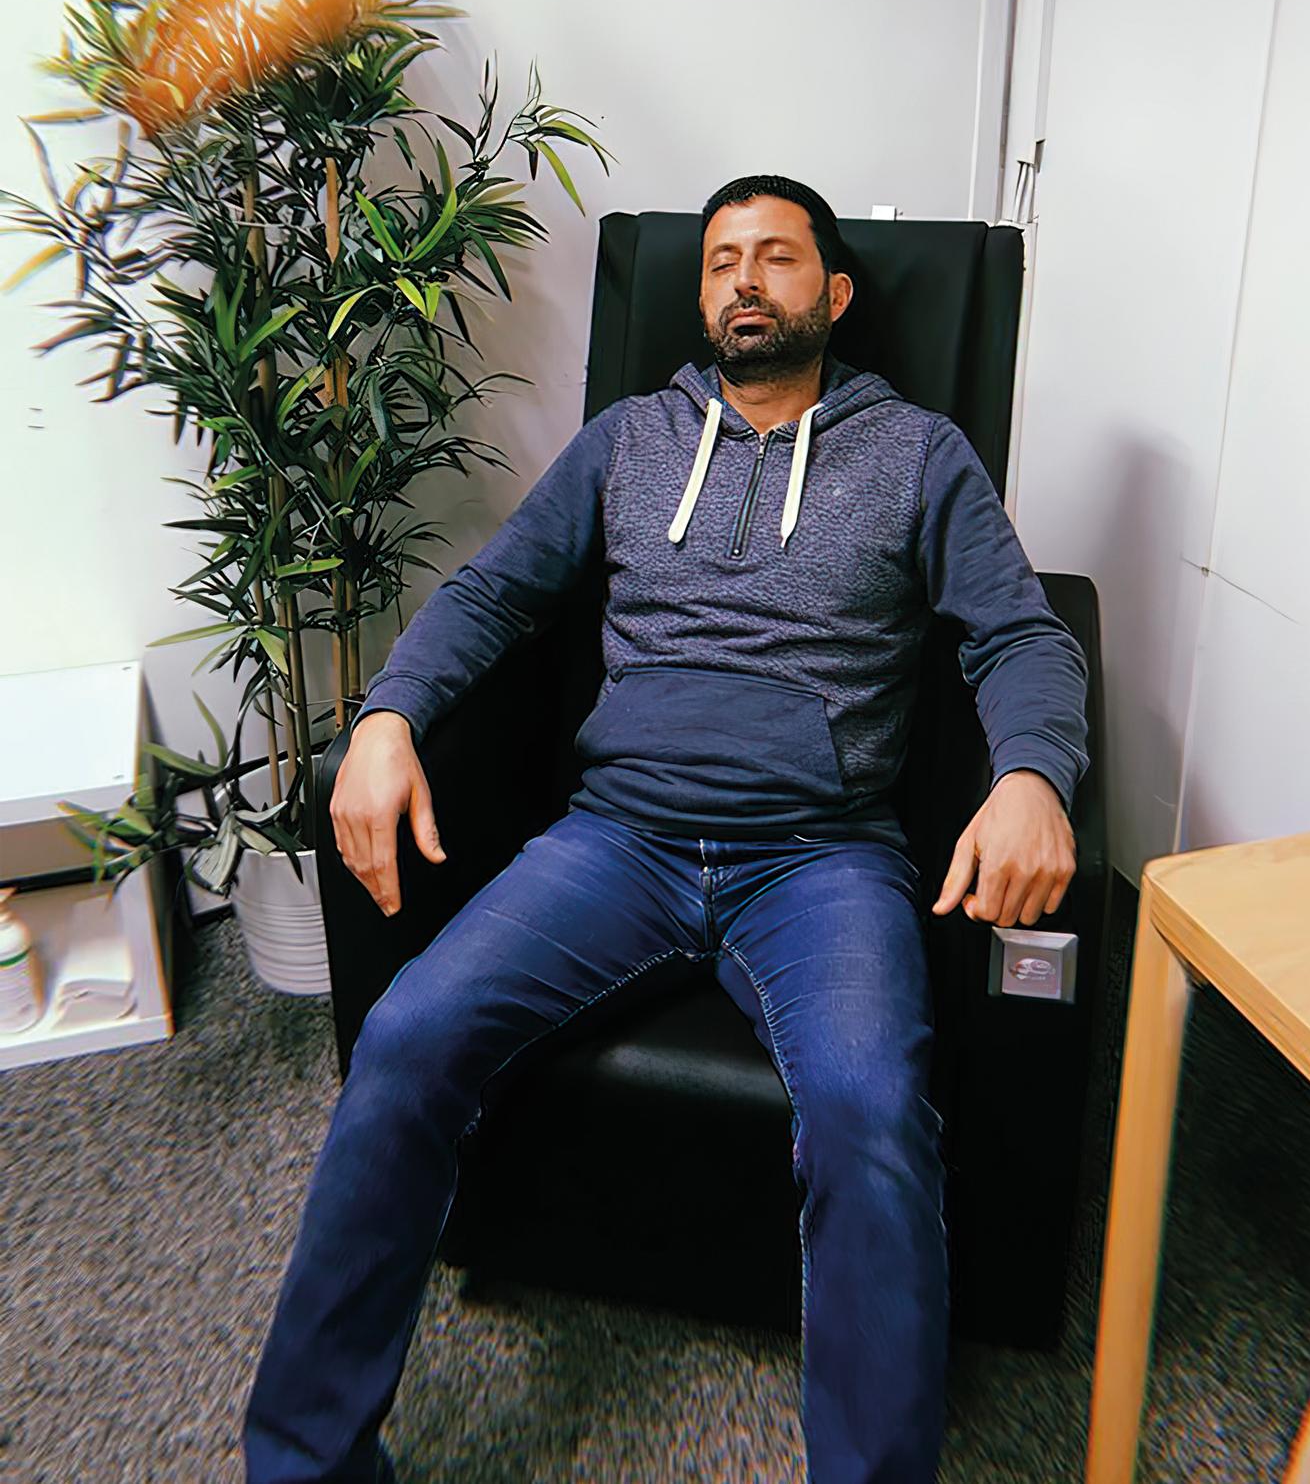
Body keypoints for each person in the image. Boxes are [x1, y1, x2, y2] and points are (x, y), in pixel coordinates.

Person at [242, 174, 1089, 1484]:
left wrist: (1032, 774)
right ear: (699, 296)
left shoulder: (922, 455)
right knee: (406, 1037)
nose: (746, 280)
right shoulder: (631, 438)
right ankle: (304, 1458)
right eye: (721, 262)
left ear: (835, 293)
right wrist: (389, 717)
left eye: (779, 258)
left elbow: (1022, 632)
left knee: (869, 1103)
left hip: (822, 858)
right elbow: (496, 589)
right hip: (615, 840)